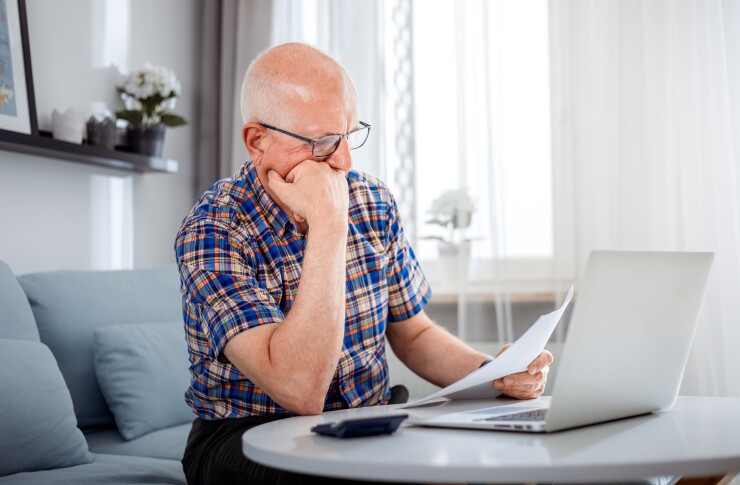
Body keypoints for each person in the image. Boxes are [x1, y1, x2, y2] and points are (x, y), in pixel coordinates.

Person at [175, 42, 552, 485]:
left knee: (503, 464)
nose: (345, 161)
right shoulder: (212, 231)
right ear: (258, 141)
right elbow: (300, 390)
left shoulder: (372, 200)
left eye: (349, 135)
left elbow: (413, 333)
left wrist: (493, 373)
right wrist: (329, 226)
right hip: (245, 434)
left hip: (369, 421)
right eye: (324, 143)